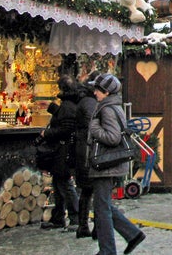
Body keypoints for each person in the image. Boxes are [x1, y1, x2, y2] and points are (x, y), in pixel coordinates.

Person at [88, 73, 145, 255]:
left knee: (101, 208)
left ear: (106, 92)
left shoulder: (106, 109)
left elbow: (112, 138)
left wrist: (94, 128)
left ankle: (107, 250)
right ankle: (132, 234)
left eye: (97, 89)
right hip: (110, 164)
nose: (95, 92)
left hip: (106, 164)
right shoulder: (112, 106)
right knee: (103, 205)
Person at [39, 74, 80, 231]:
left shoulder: (68, 105)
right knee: (59, 182)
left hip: (63, 150)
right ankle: (58, 217)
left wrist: (47, 134)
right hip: (62, 150)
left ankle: (74, 218)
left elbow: (66, 128)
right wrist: (52, 107)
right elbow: (65, 119)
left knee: (64, 183)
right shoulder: (68, 104)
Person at [74, 71, 99, 239]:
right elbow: (93, 125)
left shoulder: (85, 100)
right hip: (88, 151)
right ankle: (91, 226)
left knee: (87, 190)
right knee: (94, 190)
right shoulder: (90, 102)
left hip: (84, 148)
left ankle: (84, 225)